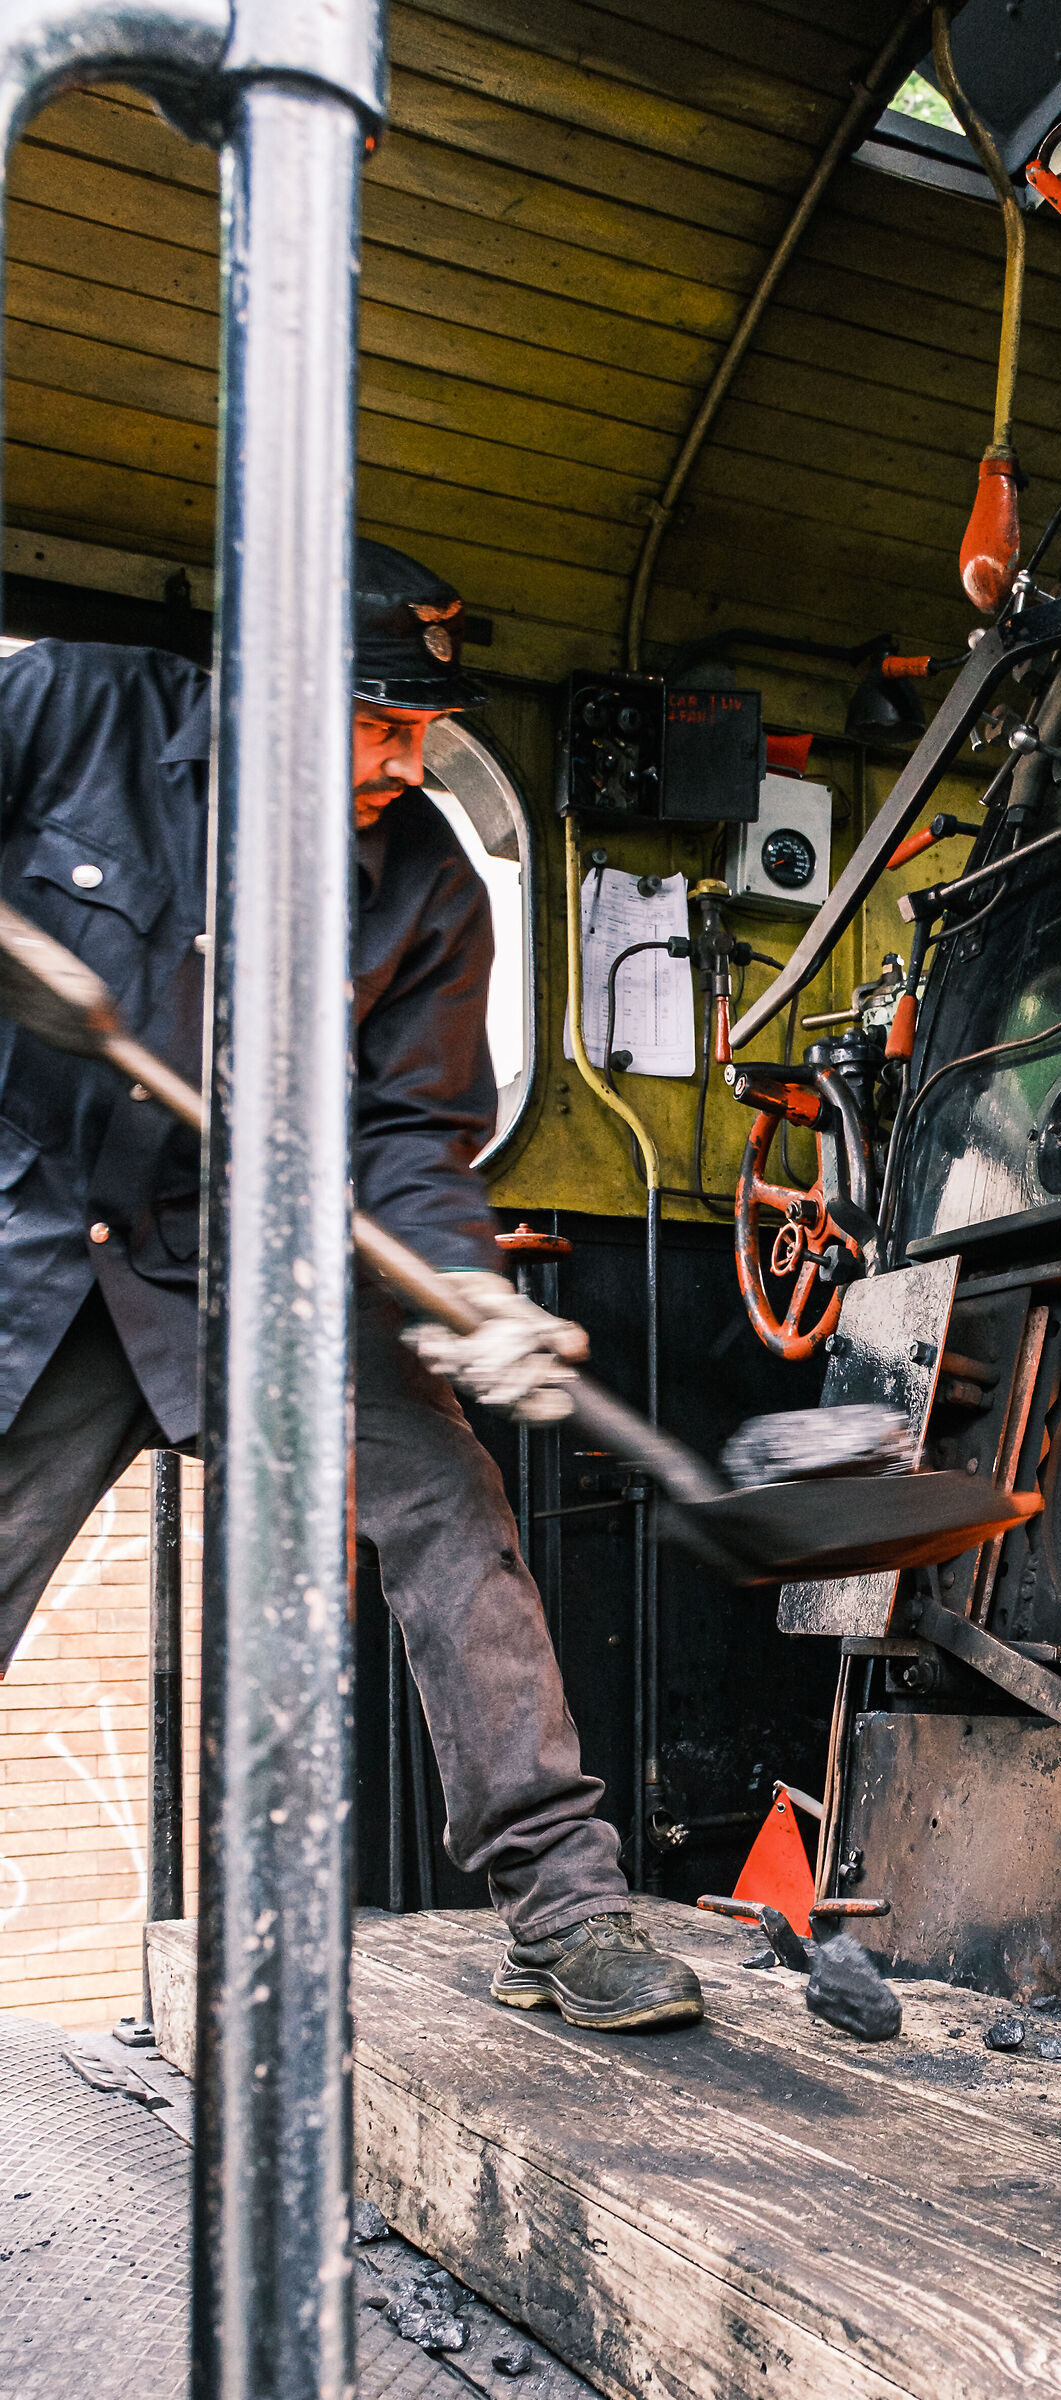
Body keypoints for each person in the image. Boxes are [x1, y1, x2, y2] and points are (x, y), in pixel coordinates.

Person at [0, 539, 703, 2032]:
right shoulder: (67, 710)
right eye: (376, 721)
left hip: (264, 1270)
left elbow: (412, 1135)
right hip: (44, 1240)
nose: (403, 759)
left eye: (422, 726)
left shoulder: (430, 880)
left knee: (450, 1509)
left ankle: (564, 1909)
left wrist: (466, 1289)